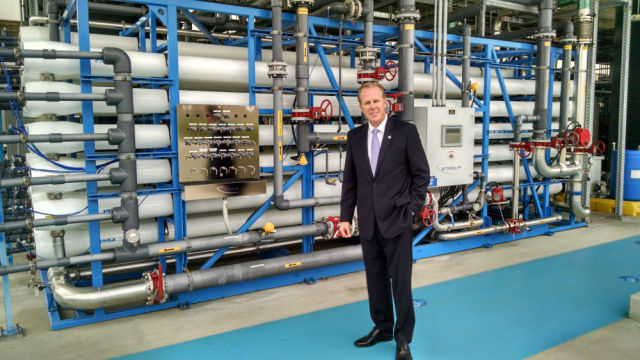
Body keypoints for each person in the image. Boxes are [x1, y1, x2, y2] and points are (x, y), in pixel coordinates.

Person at [338, 82, 430, 360]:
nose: (372, 106)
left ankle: (403, 339)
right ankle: (383, 327)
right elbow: (350, 182)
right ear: (361, 106)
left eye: (376, 100)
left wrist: (412, 209)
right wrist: (345, 217)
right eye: (366, 103)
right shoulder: (355, 137)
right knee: (375, 280)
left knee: (400, 283)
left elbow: (421, 175)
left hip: (398, 221)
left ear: (385, 102)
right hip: (368, 222)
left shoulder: (405, 132)